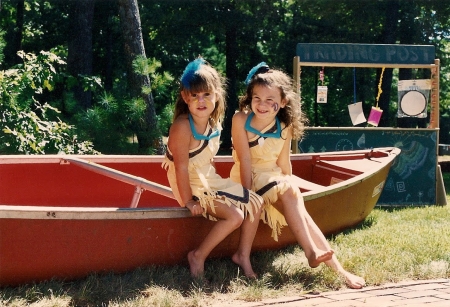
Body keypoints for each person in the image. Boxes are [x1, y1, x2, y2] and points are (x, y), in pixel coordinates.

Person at [230, 62, 365, 289]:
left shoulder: (284, 126)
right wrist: (248, 193)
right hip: (247, 178)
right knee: (289, 193)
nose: (262, 105)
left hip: (273, 179)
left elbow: (284, 164)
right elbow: (244, 160)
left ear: (282, 102)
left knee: (300, 208)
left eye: (270, 100)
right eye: (257, 98)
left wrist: (293, 187)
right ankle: (311, 252)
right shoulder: (240, 120)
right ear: (250, 97)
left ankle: (337, 268)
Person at [162, 58, 263, 279]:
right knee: (235, 216)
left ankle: (242, 256)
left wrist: (223, 187)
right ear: (185, 97)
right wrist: (189, 201)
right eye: (195, 95)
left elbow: (207, 159)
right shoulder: (182, 127)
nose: (201, 100)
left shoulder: (213, 124)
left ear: (217, 95)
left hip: (208, 178)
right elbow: (180, 168)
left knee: (255, 201)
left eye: (206, 94)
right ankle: (198, 255)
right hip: (188, 184)